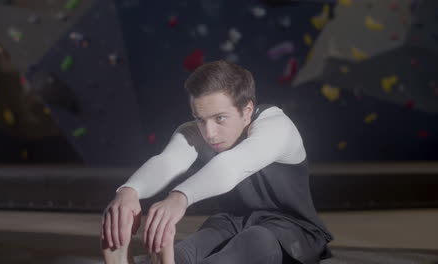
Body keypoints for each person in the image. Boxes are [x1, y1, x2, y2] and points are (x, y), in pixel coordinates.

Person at [101, 60, 333, 264]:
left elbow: (231, 166)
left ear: (247, 109)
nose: (209, 133)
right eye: (200, 119)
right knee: (184, 253)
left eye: (220, 118)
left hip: (288, 229)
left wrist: (179, 197)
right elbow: (167, 162)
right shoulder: (196, 131)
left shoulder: (277, 127)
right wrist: (129, 192)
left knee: (253, 243)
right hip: (231, 222)